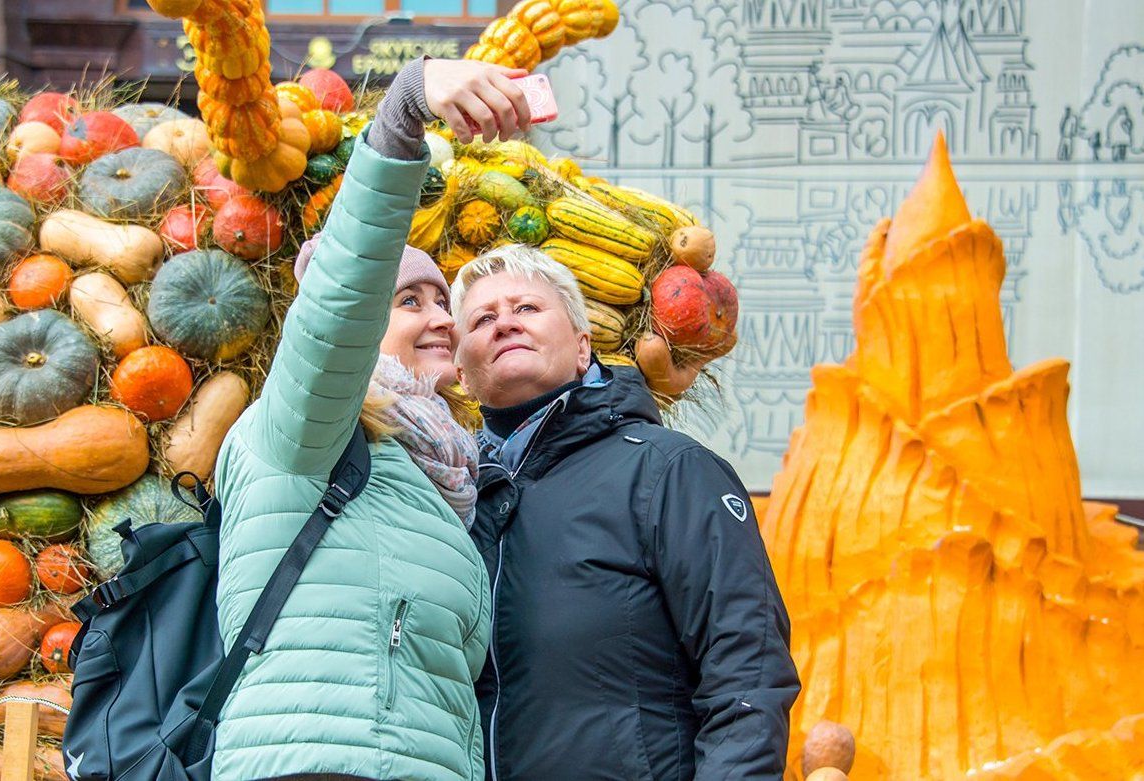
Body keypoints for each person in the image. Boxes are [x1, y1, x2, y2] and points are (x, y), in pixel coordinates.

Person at [210, 58, 532, 781]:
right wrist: (405, 109)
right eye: (409, 300)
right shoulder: (307, 429)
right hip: (316, 765)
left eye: (442, 300)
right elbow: (335, 309)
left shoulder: (441, 473)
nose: (442, 318)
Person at [450, 245, 801, 780]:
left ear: (583, 347)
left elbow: (747, 669)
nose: (504, 325)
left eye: (527, 309)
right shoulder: (449, 501)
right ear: (460, 371)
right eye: (483, 319)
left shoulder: (669, 471)